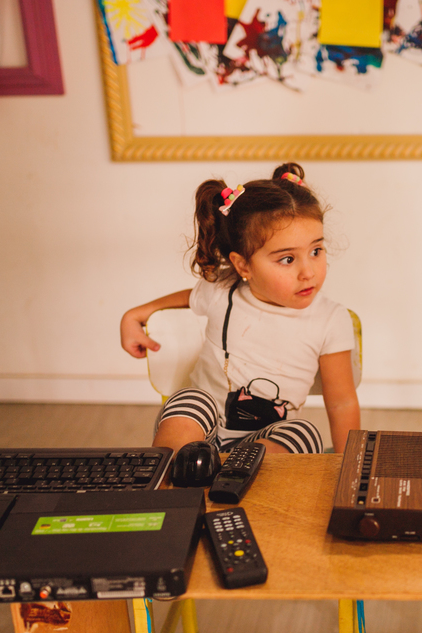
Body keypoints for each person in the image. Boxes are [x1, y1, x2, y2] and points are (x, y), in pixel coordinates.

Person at [120, 163, 360, 456]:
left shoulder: (331, 319)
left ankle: (239, 477)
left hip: (264, 445)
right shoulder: (223, 290)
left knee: (304, 432)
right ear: (243, 265)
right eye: (287, 259)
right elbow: (190, 297)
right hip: (201, 436)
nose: (308, 272)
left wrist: (349, 465)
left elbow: (341, 402)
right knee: (190, 399)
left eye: (316, 251)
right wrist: (135, 315)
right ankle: (171, 477)